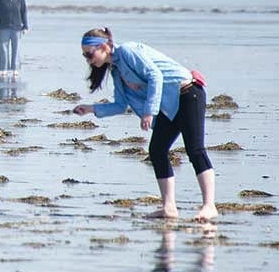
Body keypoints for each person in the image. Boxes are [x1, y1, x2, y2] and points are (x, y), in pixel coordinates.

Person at [72, 27, 217, 222]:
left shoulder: (127, 51)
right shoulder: (116, 71)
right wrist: (90, 109)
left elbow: (155, 75)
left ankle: (209, 206)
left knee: (195, 150)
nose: (88, 60)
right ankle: (169, 207)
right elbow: (121, 105)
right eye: (85, 56)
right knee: (157, 150)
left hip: (188, 93)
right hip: (168, 106)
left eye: (89, 54)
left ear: (104, 46)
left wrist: (149, 111)